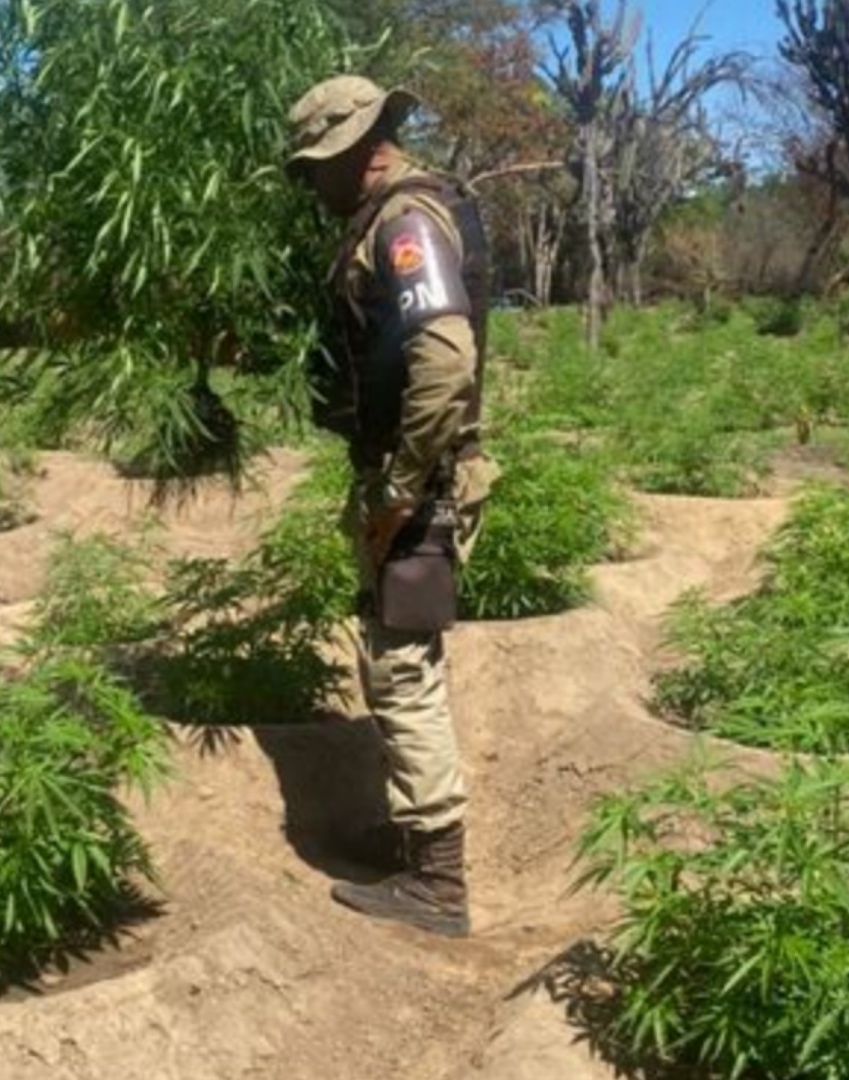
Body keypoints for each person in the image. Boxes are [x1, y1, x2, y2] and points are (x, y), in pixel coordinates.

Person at [285, 76, 497, 937]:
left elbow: (444, 359)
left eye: (314, 169)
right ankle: (415, 838)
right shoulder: (394, 219)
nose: (311, 189)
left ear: (351, 150)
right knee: (394, 655)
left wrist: (403, 485)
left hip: (424, 483)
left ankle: (437, 882)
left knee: (403, 671)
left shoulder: (405, 224)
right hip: (414, 476)